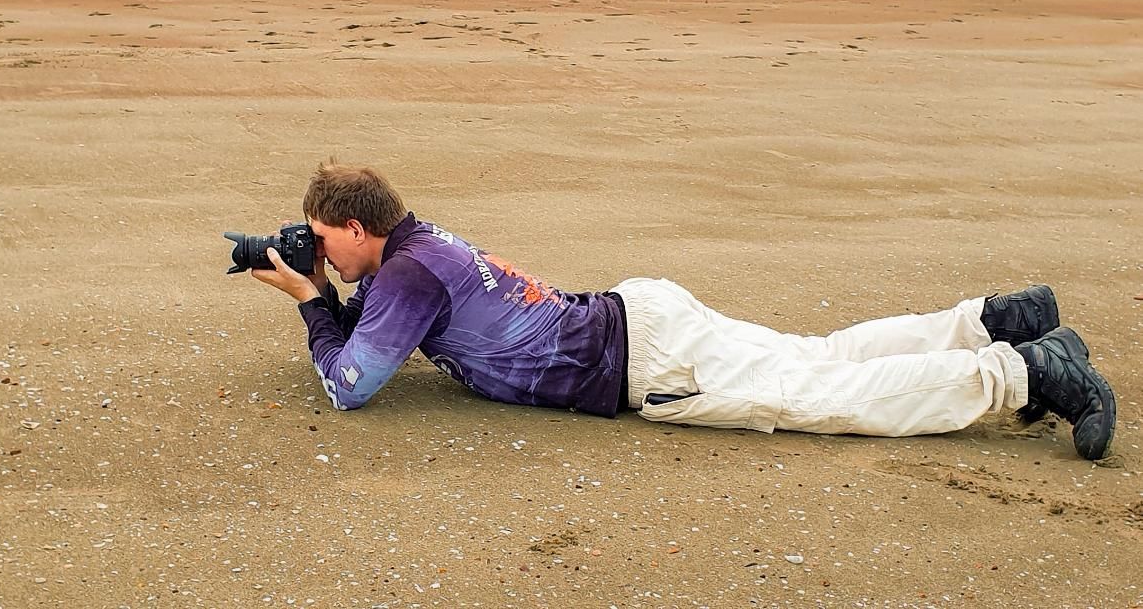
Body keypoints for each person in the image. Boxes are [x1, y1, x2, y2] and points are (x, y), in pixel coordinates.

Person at [249, 162, 1117, 461]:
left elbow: (351, 384)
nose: (323, 251)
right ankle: (992, 320)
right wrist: (334, 286)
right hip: (640, 314)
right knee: (814, 354)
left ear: (356, 226)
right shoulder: (419, 243)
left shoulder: (401, 278)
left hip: (646, 365)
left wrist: (309, 299)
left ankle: (1021, 371)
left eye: (327, 238)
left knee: (822, 397)